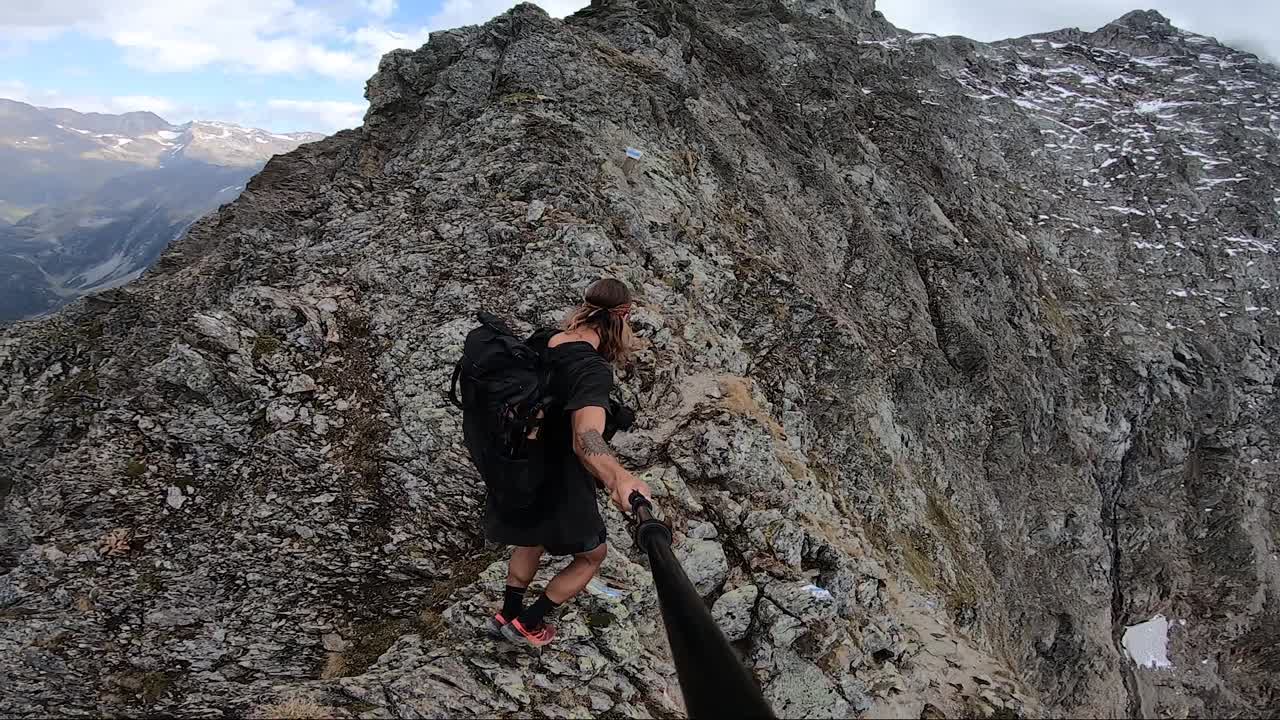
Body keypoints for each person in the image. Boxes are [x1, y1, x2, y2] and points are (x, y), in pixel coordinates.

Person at [487, 278, 652, 648]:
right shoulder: (592, 369)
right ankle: (530, 623)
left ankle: (507, 613)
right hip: (559, 472)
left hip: (520, 462)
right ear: (622, 319)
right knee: (592, 554)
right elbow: (586, 437)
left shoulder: (545, 339)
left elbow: (546, 397)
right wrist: (618, 477)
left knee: (531, 536)